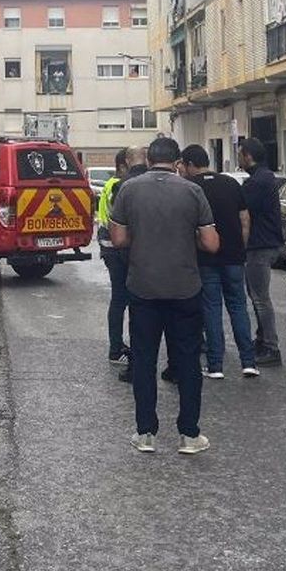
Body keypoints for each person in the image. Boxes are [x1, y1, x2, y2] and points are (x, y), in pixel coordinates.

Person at [110, 136, 218, 455]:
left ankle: (145, 433)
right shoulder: (192, 190)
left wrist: (141, 236)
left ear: (149, 159)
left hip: (143, 286)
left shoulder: (129, 189)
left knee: (143, 360)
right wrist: (190, 239)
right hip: (184, 288)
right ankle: (189, 434)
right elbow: (211, 244)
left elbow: (118, 238)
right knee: (186, 360)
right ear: (176, 162)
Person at [180, 144, 258, 380]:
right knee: (238, 307)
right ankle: (249, 362)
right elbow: (245, 220)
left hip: (205, 259)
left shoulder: (192, 188)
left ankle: (215, 366)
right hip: (234, 257)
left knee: (211, 308)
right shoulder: (231, 184)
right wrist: (240, 247)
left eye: (184, 165)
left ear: (191, 164)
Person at [238, 137, 284, 367]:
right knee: (257, 296)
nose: (239, 158)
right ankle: (262, 339)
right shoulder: (264, 177)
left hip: (259, 246)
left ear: (248, 155)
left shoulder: (258, 182)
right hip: (266, 244)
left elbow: (242, 210)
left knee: (259, 298)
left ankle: (270, 346)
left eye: (240, 154)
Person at [96, 147, 141, 365]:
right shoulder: (119, 185)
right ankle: (118, 347)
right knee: (123, 298)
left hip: (108, 246)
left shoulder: (109, 184)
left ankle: (116, 346)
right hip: (117, 248)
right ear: (124, 164)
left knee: (118, 298)